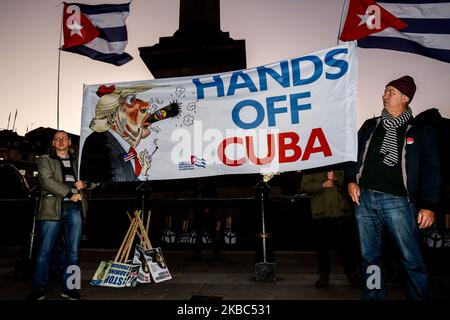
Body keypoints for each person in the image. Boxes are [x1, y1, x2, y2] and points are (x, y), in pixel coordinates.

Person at [346, 75, 440, 300]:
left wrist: (428, 204)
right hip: (364, 199)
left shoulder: (420, 130)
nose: (385, 96)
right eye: (385, 91)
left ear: (405, 98)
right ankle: (374, 296)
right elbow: (352, 154)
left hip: (397, 201)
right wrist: (351, 179)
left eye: (391, 92)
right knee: (370, 258)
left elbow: (431, 169)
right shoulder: (370, 126)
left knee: (411, 258)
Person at [27, 130, 97, 301]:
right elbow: (46, 180)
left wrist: (86, 183)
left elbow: (95, 180)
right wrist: (68, 193)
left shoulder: (79, 162)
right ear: (53, 143)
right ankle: (38, 288)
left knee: (73, 252)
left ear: (69, 141)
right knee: (45, 251)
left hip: (75, 209)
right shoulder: (44, 159)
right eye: (57, 139)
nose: (60, 141)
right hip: (52, 208)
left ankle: (70, 288)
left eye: (63, 138)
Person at [80, 84, 180, 182]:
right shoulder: (97, 143)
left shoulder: (125, 148)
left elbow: (128, 185)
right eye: (130, 101)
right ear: (112, 117)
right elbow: (111, 188)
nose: (146, 105)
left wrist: (143, 171)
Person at [301, 165, 360, 288]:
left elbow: (350, 183)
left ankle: (352, 275)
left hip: (341, 212)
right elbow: (305, 186)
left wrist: (337, 179)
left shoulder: (341, 163)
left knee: (347, 247)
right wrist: (323, 184)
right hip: (322, 212)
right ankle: (324, 277)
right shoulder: (312, 165)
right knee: (322, 248)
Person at [191, 179, 222, 261]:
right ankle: (197, 254)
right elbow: (194, 200)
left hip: (209, 215)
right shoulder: (198, 187)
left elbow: (215, 199)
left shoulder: (210, 186)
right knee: (199, 235)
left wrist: (209, 208)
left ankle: (217, 254)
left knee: (212, 235)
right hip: (199, 214)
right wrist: (198, 210)